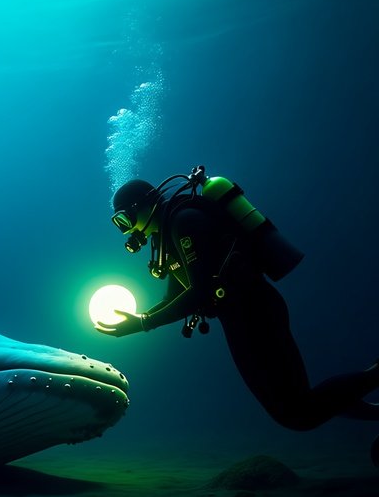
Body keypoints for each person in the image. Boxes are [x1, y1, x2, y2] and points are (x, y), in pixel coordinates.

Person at [97, 165, 379, 461]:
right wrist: (141, 317)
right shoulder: (165, 238)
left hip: (256, 312)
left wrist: (143, 323)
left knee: (299, 412)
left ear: (141, 206)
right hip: (239, 319)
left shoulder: (185, 221)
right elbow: (176, 294)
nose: (126, 230)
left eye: (124, 220)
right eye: (119, 224)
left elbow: (200, 292)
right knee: (295, 410)